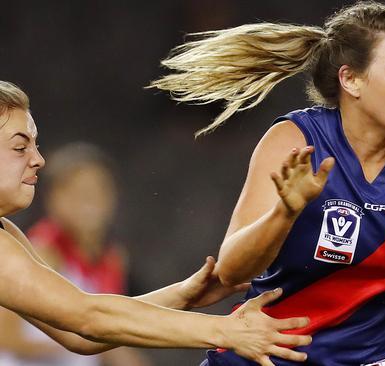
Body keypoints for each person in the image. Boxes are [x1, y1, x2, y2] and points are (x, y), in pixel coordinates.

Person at [151, 1, 385, 365]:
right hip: (268, 357)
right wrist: (285, 211)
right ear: (351, 80)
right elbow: (232, 271)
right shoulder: (294, 142)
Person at [0, 80, 312, 366]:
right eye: (19, 147)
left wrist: (183, 295)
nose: (38, 159)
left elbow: (77, 334)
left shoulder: (9, 232)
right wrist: (226, 329)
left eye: (35, 145)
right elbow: (87, 318)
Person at [0, 142, 149, 366]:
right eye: (77, 192)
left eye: (98, 190)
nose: (89, 201)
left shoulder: (113, 259)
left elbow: (110, 335)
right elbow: (5, 337)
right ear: (53, 198)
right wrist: (83, 342)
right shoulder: (40, 251)